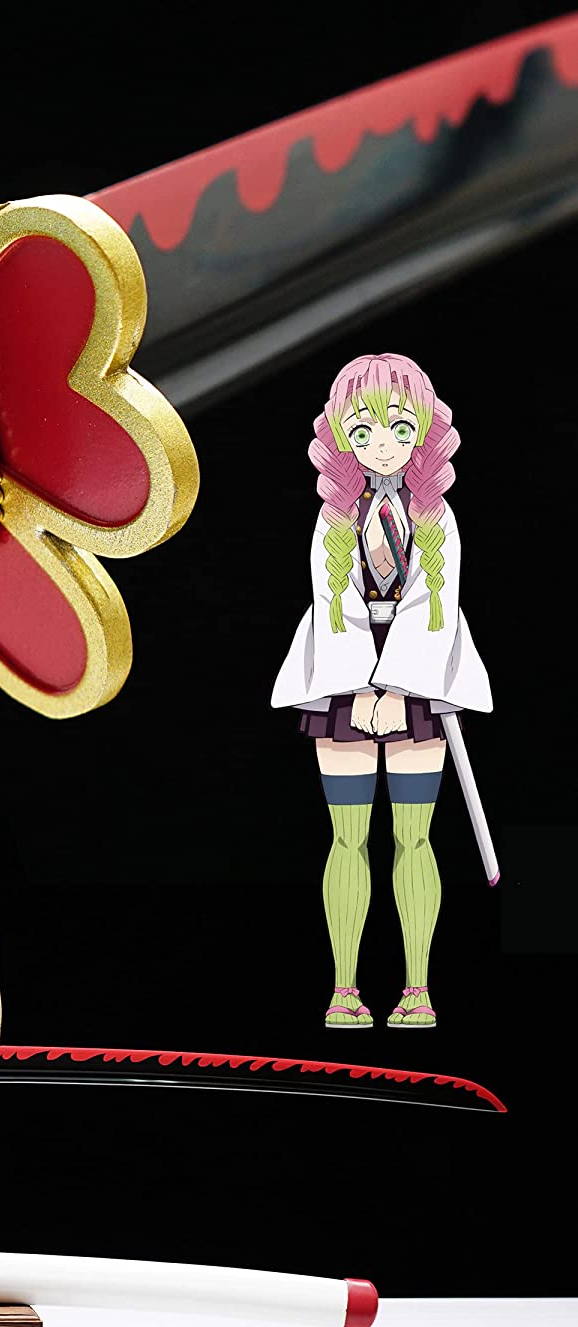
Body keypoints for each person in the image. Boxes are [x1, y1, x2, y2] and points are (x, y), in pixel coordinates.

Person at [271, 354, 491, 1029]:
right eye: (362, 432)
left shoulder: (437, 517)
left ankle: (416, 989)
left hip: (418, 681)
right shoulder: (333, 518)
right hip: (343, 680)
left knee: (414, 839)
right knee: (347, 838)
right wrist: (361, 687)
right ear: (341, 436)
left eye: (398, 427)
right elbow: (330, 602)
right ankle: (345, 989)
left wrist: (397, 686)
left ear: (423, 428)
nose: (382, 446)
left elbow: (435, 606)